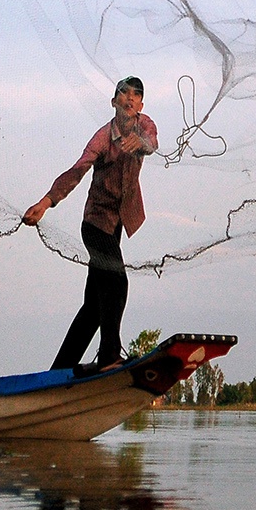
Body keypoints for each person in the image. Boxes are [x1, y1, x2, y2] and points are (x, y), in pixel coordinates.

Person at [24, 77, 158, 372]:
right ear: (114, 103)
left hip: (117, 224)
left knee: (94, 308)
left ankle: (60, 371)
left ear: (140, 106)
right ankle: (110, 356)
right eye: (124, 95)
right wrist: (46, 203)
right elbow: (77, 171)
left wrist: (143, 144)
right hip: (96, 225)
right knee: (117, 282)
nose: (130, 99)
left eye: (136, 96)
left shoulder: (145, 125)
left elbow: (152, 142)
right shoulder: (101, 139)